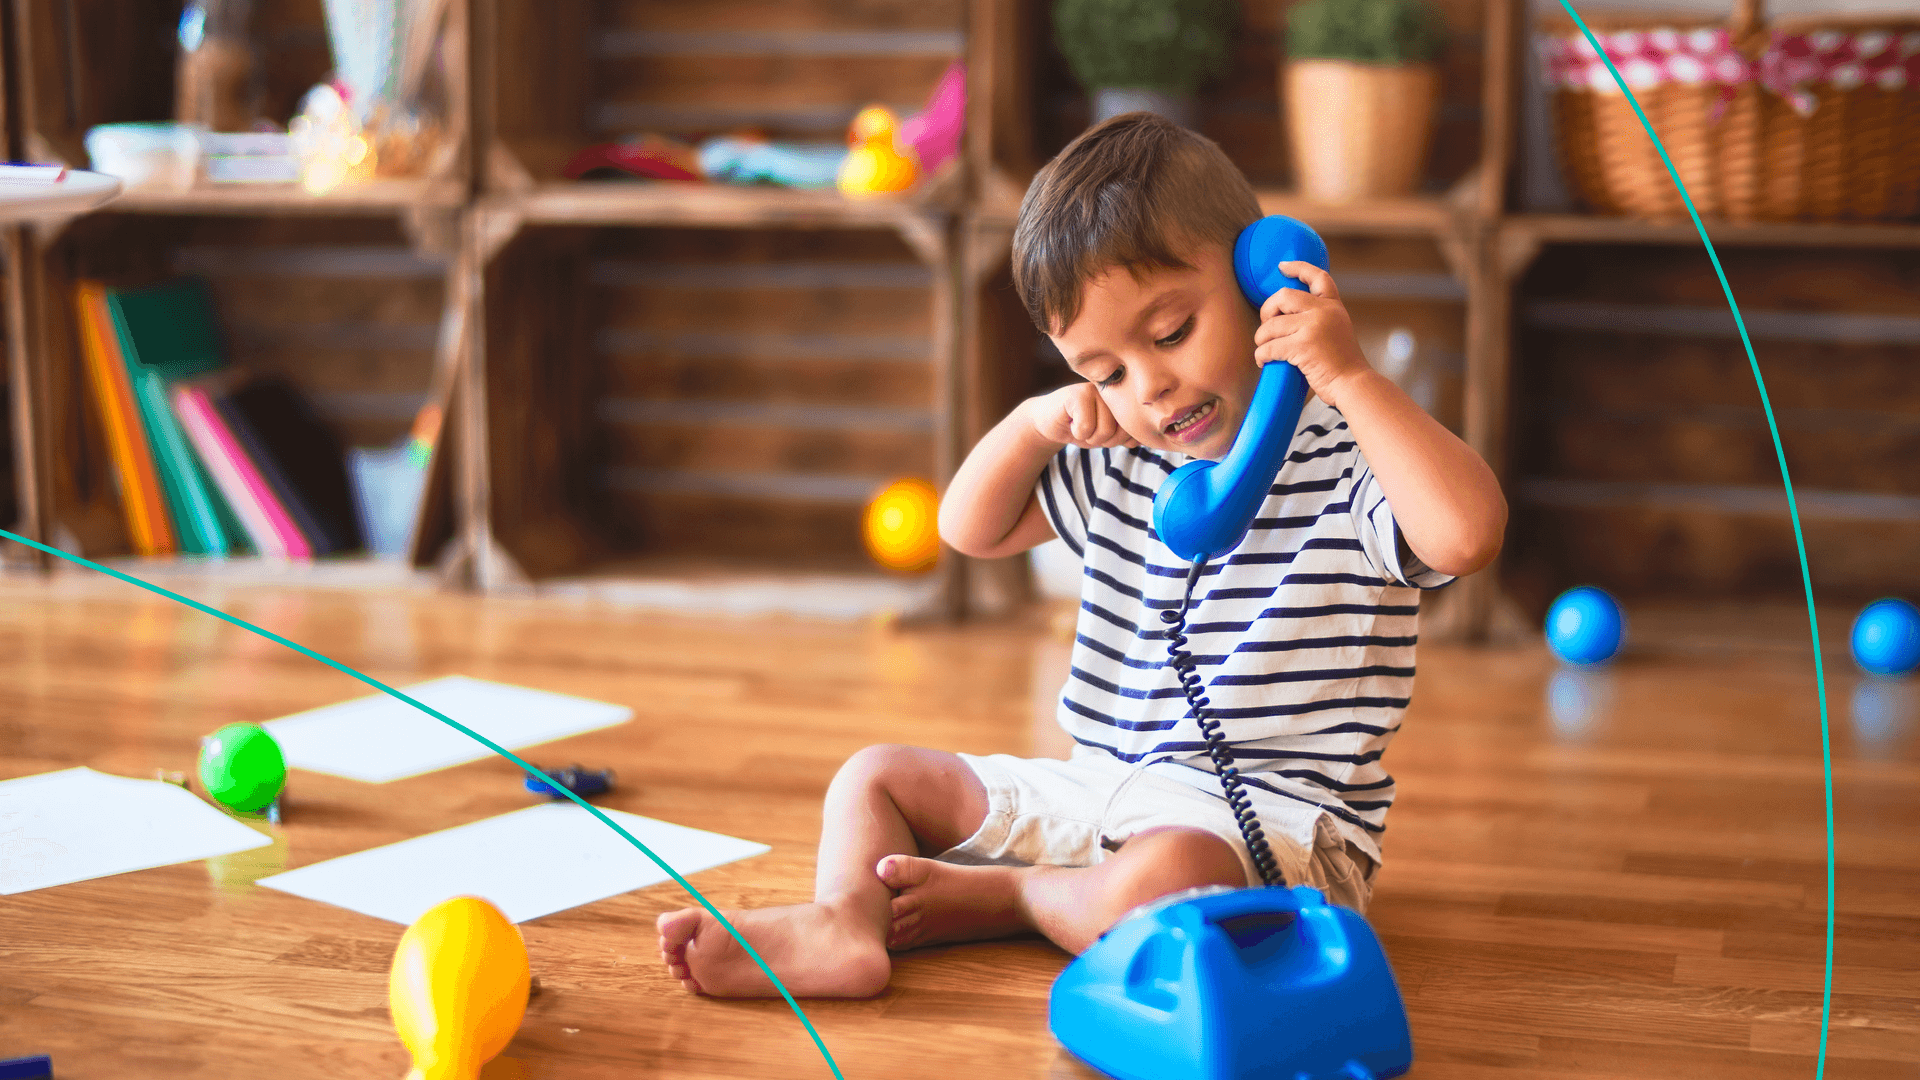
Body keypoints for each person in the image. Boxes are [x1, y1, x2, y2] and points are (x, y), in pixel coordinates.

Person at [657, 112, 1506, 998]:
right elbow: (970, 529)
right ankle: (843, 919)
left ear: (1265, 280)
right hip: (1098, 788)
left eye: (1171, 332)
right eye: (1105, 371)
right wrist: (1032, 425)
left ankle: (1018, 897)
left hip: (1265, 831)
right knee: (874, 778)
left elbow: (1467, 535)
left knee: (1168, 878)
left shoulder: (1357, 456)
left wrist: (1351, 378)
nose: (1150, 386)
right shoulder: (1125, 460)